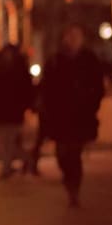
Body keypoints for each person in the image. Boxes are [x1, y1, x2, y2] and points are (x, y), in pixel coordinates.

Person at [39, 23, 104, 207]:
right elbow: (46, 88)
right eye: (70, 35)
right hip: (60, 116)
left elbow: (97, 85)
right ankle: (69, 180)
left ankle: (74, 189)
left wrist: (91, 104)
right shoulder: (56, 60)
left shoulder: (89, 60)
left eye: (76, 35)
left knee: (74, 153)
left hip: (81, 115)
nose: (73, 39)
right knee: (62, 154)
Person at [0, 42, 34, 179]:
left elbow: (27, 90)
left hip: (13, 112)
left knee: (9, 141)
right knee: (5, 141)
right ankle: (21, 162)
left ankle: (7, 167)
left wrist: (25, 106)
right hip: (1, 112)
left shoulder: (17, 68)